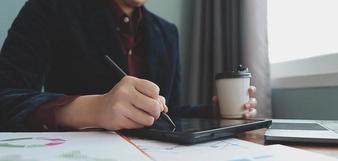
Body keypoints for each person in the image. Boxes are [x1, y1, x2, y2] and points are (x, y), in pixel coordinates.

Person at [0, 0, 257, 131]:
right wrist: (93, 109)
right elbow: (5, 98)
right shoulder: (49, 8)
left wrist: (211, 112)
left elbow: (170, 111)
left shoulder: (167, 33)